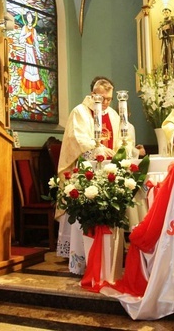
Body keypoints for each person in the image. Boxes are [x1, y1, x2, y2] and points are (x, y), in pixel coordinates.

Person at [56, 77, 125, 274]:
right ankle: (80, 255)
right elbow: (76, 138)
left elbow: (120, 139)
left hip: (109, 170)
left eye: (109, 99)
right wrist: (98, 150)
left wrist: (120, 152)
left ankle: (107, 253)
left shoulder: (112, 114)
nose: (105, 103)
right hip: (86, 169)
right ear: (92, 94)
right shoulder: (80, 111)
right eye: (101, 98)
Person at [19, 11, 45, 95]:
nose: (29, 19)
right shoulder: (24, 28)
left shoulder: (34, 30)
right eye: (28, 17)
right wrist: (26, 35)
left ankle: (33, 97)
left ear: (33, 19)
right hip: (27, 50)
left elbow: (36, 44)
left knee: (34, 71)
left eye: (30, 17)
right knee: (28, 70)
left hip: (32, 51)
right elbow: (20, 40)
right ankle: (29, 97)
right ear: (26, 18)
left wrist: (40, 58)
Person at [157, 8, 174, 75]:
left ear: (170, 13)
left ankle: (173, 74)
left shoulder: (173, 22)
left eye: (167, 12)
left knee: (172, 56)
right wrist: (162, 29)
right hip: (165, 41)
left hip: (172, 41)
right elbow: (158, 34)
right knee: (164, 56)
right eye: (164, 12)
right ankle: (165, 74)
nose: (165, 13)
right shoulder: (162, 24)